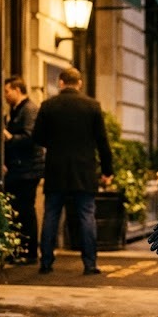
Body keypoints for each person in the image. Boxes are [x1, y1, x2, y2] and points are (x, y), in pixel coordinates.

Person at [32, 67, 113, 275]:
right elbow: (102, 142)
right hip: (84, 170)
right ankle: (90, 263)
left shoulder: (48, 106)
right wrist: (107, 170)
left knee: (51, 215)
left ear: (61, 83)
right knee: (86, 215)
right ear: (80, 83)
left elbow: (37, 137)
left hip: (56, 168)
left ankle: (46, 262)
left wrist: (55, 142)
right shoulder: (92, 106)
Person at [2, 76, 45, 264]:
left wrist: (9, 137)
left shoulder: (29, 110)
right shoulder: (16, 110)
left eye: (7, 91)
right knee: (18, 209)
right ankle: (20, 249)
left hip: (27, 169)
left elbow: (30, 138)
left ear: (17, 90)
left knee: (25, 209)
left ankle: (28, 252)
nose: (5, 95)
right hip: (19, 168)